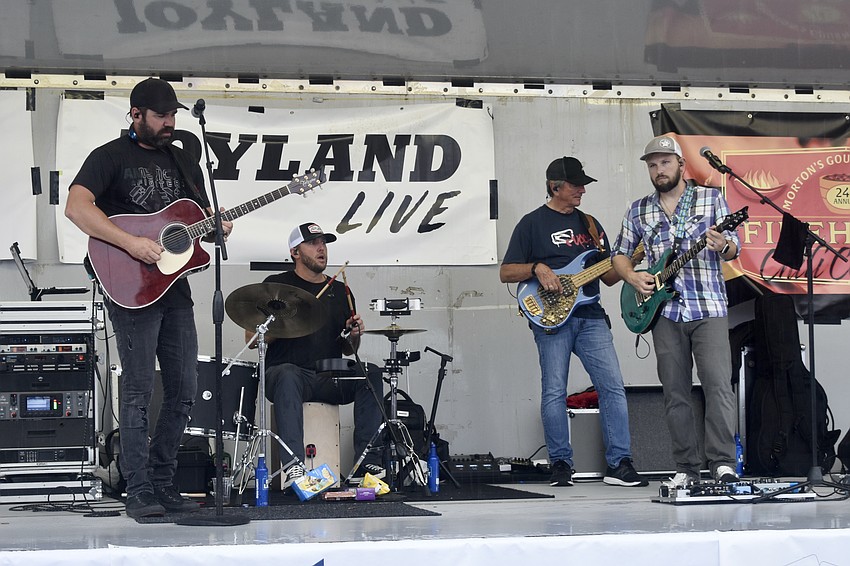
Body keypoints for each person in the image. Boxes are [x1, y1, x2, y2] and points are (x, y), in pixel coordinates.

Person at [65, 78, 233, 519]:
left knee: (184, 389)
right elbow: (77, 208)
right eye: (160, 116)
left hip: (173, 287)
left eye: (173, 115)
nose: (169, 123)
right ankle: (137, 486)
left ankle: (163, 479)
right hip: (129, 285)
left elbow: (190, 225)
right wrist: (131, 244)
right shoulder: (109, 157)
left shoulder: (182, 160)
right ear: (135, 114)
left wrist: (215, 226)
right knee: (138, 389)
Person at [500, 156, 647, 488]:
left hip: (591, 315)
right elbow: (506, 272)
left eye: (583, 184)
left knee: (612, 387)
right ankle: (561, 464)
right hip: (551, 318)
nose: (582, 189)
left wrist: (631, 260)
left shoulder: (590, 225)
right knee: (554, 390)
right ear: (555, 187)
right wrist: (537, 267)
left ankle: (620, 463)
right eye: (576, 184)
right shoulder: (531, 224)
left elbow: (608, 277)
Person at [612, 134, 741, 487]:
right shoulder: (639, 209)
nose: (658, 170)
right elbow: (619, 253)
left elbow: (734, 249)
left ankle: (723, 463)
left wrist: (723, 244)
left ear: (681, 165)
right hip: (664, 312)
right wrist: (633, 277)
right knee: (675, 392)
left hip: (708, 306)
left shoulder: (710, 198)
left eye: (665, 163)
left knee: (718, 387)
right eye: (652, 165)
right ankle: (686, 466)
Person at [252, 222, 385, 488]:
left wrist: (355, 334)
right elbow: (252, 339)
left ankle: (365, 463)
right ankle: (294, 467)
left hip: (329, 375)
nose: (321, 248)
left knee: (371, 373)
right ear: (295, 252)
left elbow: (348, 350)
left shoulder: (339, 291)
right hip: (287, 374)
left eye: (323, 243)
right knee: (288, 374)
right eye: (312, 243)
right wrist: (288, 319)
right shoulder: (276, 285)